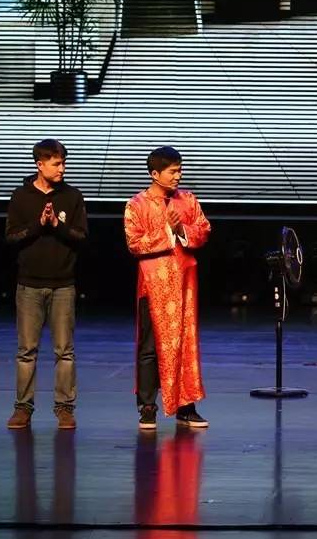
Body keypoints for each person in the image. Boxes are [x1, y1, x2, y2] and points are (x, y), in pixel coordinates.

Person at [124, 147, 211, 430]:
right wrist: (167, 231)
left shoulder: (188, 200)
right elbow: (134, 243)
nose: (178, 176)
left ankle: (186, 406)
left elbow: (204, 229)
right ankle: (148, 406)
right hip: (154, 285)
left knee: (185, 344)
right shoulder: (137, 204)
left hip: (184, 285)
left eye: (179, 170)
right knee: (150, 347)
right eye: (173, 171)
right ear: (155, 174)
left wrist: (182, 229)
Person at [5, 139, 88, 430]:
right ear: (40, 165)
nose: (62, 168)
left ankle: (64, 408)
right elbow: (11, 237)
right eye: (56, 163)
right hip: (29, 285)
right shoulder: (21, 196)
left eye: (64, 163)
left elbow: (81, 236)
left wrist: (56, 225)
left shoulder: (72, 196)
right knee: (26, 351)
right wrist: (39, 225)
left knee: (64, 351)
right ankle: (23, 408)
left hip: (63, 285)